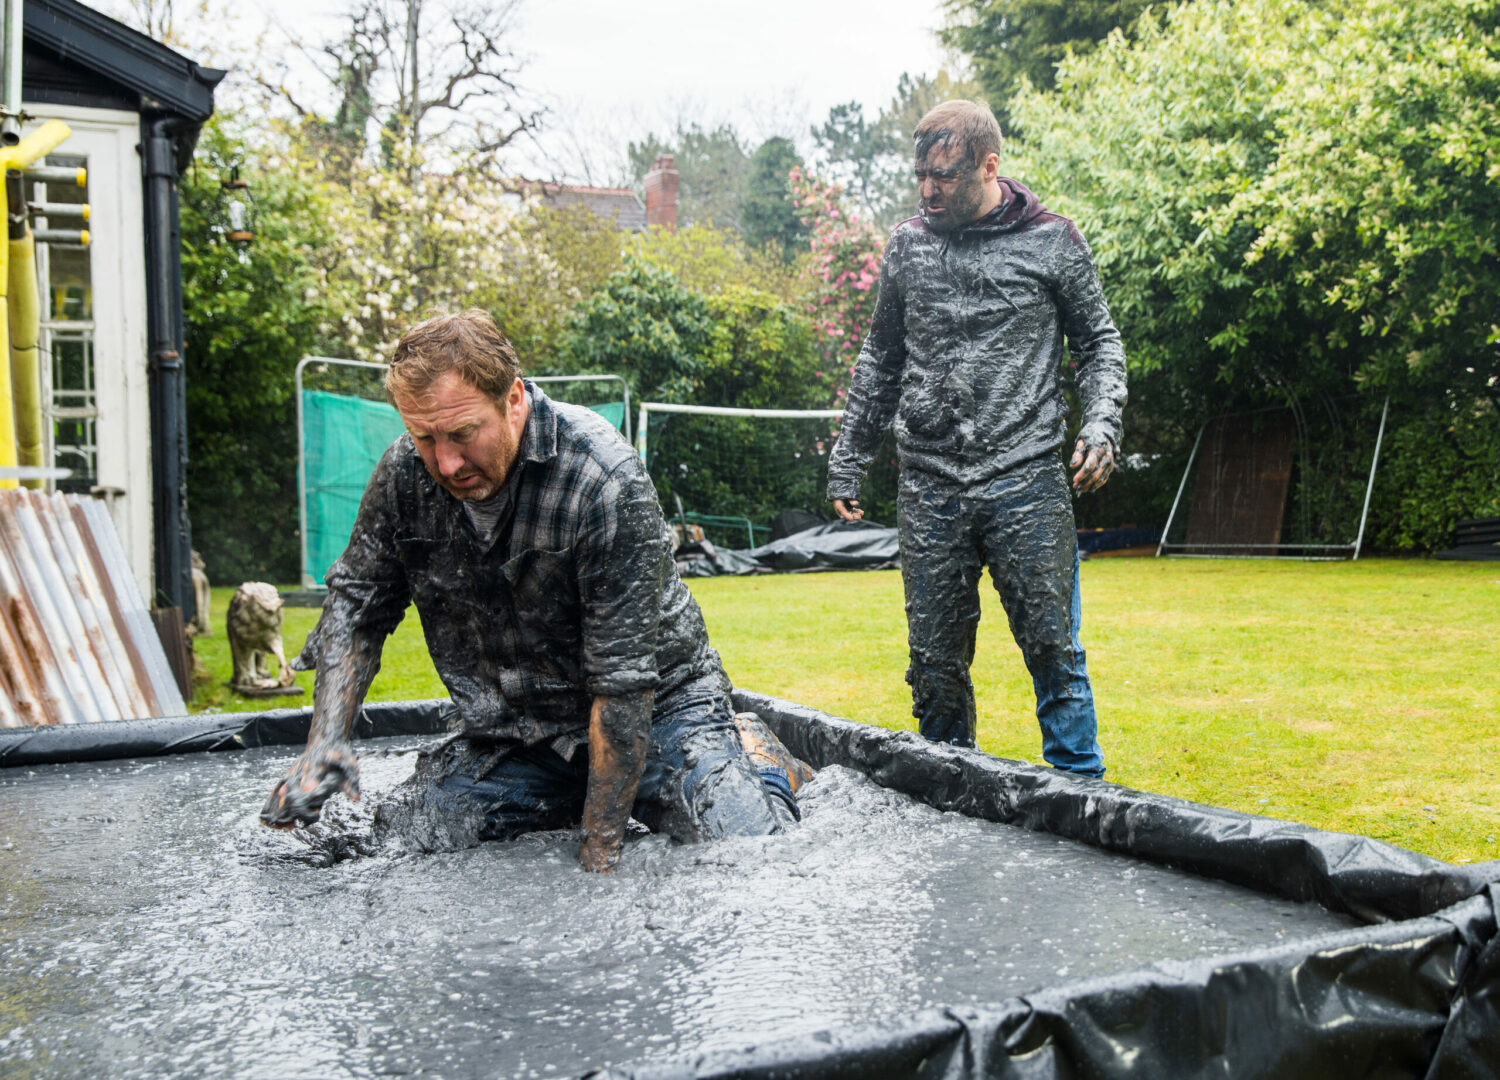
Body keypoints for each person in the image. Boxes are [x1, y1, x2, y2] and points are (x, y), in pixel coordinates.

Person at [261, 310, 802, 871]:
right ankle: (573, 795)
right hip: (521, 733)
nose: (445, 461)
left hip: (661, 710)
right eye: (425, 437)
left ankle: (755, 757)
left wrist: (598, 852)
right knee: (397, 842)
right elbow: (356, 607)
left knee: (749, 847)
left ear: (513, 399)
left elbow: (623, 690)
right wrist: (324, 743)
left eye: (464, 434)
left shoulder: (602, 479)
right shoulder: (404, 477)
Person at [827, 100, 1127, 778]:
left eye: (946, 176)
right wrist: (850, 456)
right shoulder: (907, 245)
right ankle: (947, 809)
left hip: (1025, 477)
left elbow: (1100, 343)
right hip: (931, 483)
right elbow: (881, 357)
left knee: (1054, 652)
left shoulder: (1054, 241)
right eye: (920, 176)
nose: (929, 191)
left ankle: (1085, 802)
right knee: (934, 669)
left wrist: (1102, 423)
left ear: (989, 167)